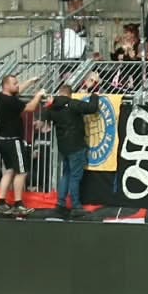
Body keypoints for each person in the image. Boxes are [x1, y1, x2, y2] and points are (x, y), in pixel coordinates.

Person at [39, 82, 99, 218]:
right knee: (75, 177)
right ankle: (76, 206)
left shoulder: (52, 107)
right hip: (76, 145)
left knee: (66, 174)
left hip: (63, 146)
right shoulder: (73, 104)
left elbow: (44, 118)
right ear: (70, 94)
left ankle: (61, 203)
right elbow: (92, 108)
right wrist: (94, 95)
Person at [0, 74, 46, 217]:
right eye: (14, 83)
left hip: (2, 140)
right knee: (21, 171)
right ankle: (18, 204)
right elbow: (31, 107)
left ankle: (1, 202)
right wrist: (38, 95)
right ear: (6, 85)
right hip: (13, 140)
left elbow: (18, 90)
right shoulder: (11, 101)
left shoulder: (0, 97)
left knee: (9, 170)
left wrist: (30, 81)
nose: (17, 85)